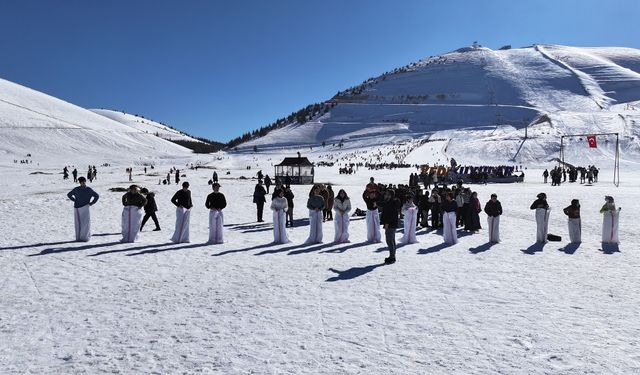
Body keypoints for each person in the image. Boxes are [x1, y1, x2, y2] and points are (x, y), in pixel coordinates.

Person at [66, 177, 99, 242]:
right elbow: (69, 195)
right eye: (82, 182)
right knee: (78, 223)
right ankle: (78, 238)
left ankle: (85, 237)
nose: (83, 183)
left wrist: (91, 203)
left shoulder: (88, 189)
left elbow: (96, 196)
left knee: (85, 223)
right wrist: (74, 200)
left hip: (85, 207)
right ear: (80, 183)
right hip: (77, 208)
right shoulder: (76, 189)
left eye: (84, 182)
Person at [381, 189, 401, 264]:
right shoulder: (388, 202)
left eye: (388, 194)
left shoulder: (392, 203)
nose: (386, 195)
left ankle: (392, 257)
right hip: (391, 223)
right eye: (386, 194)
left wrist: (387, 223)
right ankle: (392, 255)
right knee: (391, 240)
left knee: (389, 240)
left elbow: (391, 214)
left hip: (390, 224)